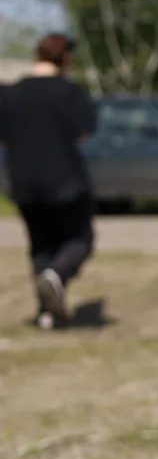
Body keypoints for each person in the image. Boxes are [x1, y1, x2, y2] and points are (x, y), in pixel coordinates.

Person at [0, 33, 97, 330]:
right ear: (66, 58)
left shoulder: (11, 94)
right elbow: (84, 133)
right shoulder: (68, 92)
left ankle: (48, 313)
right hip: (64, 180)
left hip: (23, 181)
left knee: (40, 244)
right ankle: (57, 274)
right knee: (81, 239)